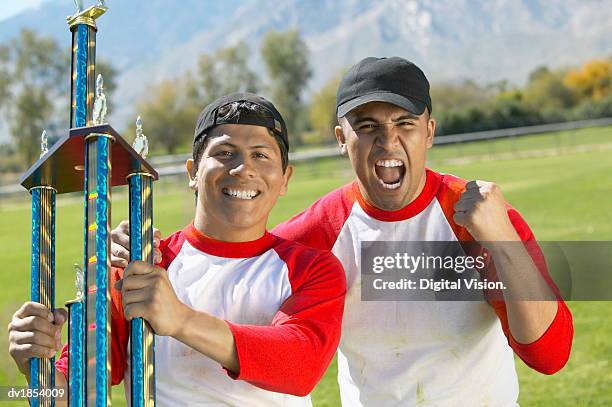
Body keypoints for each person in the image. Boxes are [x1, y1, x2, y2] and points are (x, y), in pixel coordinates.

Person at [109, 57, 574, 406]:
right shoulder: (318, 232)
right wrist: (148, 247)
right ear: (340, 139)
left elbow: (549, 355)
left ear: (429, 132)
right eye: (366, 126)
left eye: (404, 125)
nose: (387, 142)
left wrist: (501, 242)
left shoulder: (478, 217)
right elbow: (236, 241)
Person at [8, 93, 346, 406]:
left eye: (261, 155)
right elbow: (69, 395)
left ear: (285, 178)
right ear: (193, 173)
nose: (243, 168)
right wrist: (35, 369)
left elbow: (300, 367)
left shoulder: (313, 268)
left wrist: (180, 319)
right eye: (225, 153)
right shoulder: (138, 269)